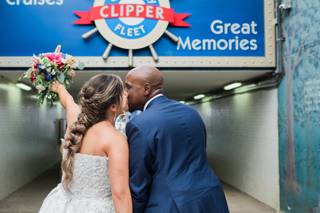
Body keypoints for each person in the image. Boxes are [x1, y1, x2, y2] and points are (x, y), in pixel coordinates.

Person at [125, 66, 229, 213]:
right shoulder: (192, 113)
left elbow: (139, 184)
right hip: (211, 199)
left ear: (146, 89)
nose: (125, 93)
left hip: (171, 205)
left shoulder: (139, 124)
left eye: (128, 87)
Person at [39, 74, 132, 213]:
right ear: (113, 106)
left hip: (61, 206)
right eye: (123, 93)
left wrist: (54, 73)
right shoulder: (115, 139)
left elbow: (66, 98)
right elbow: (120, 194)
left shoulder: (75, 121)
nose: (127, 95)